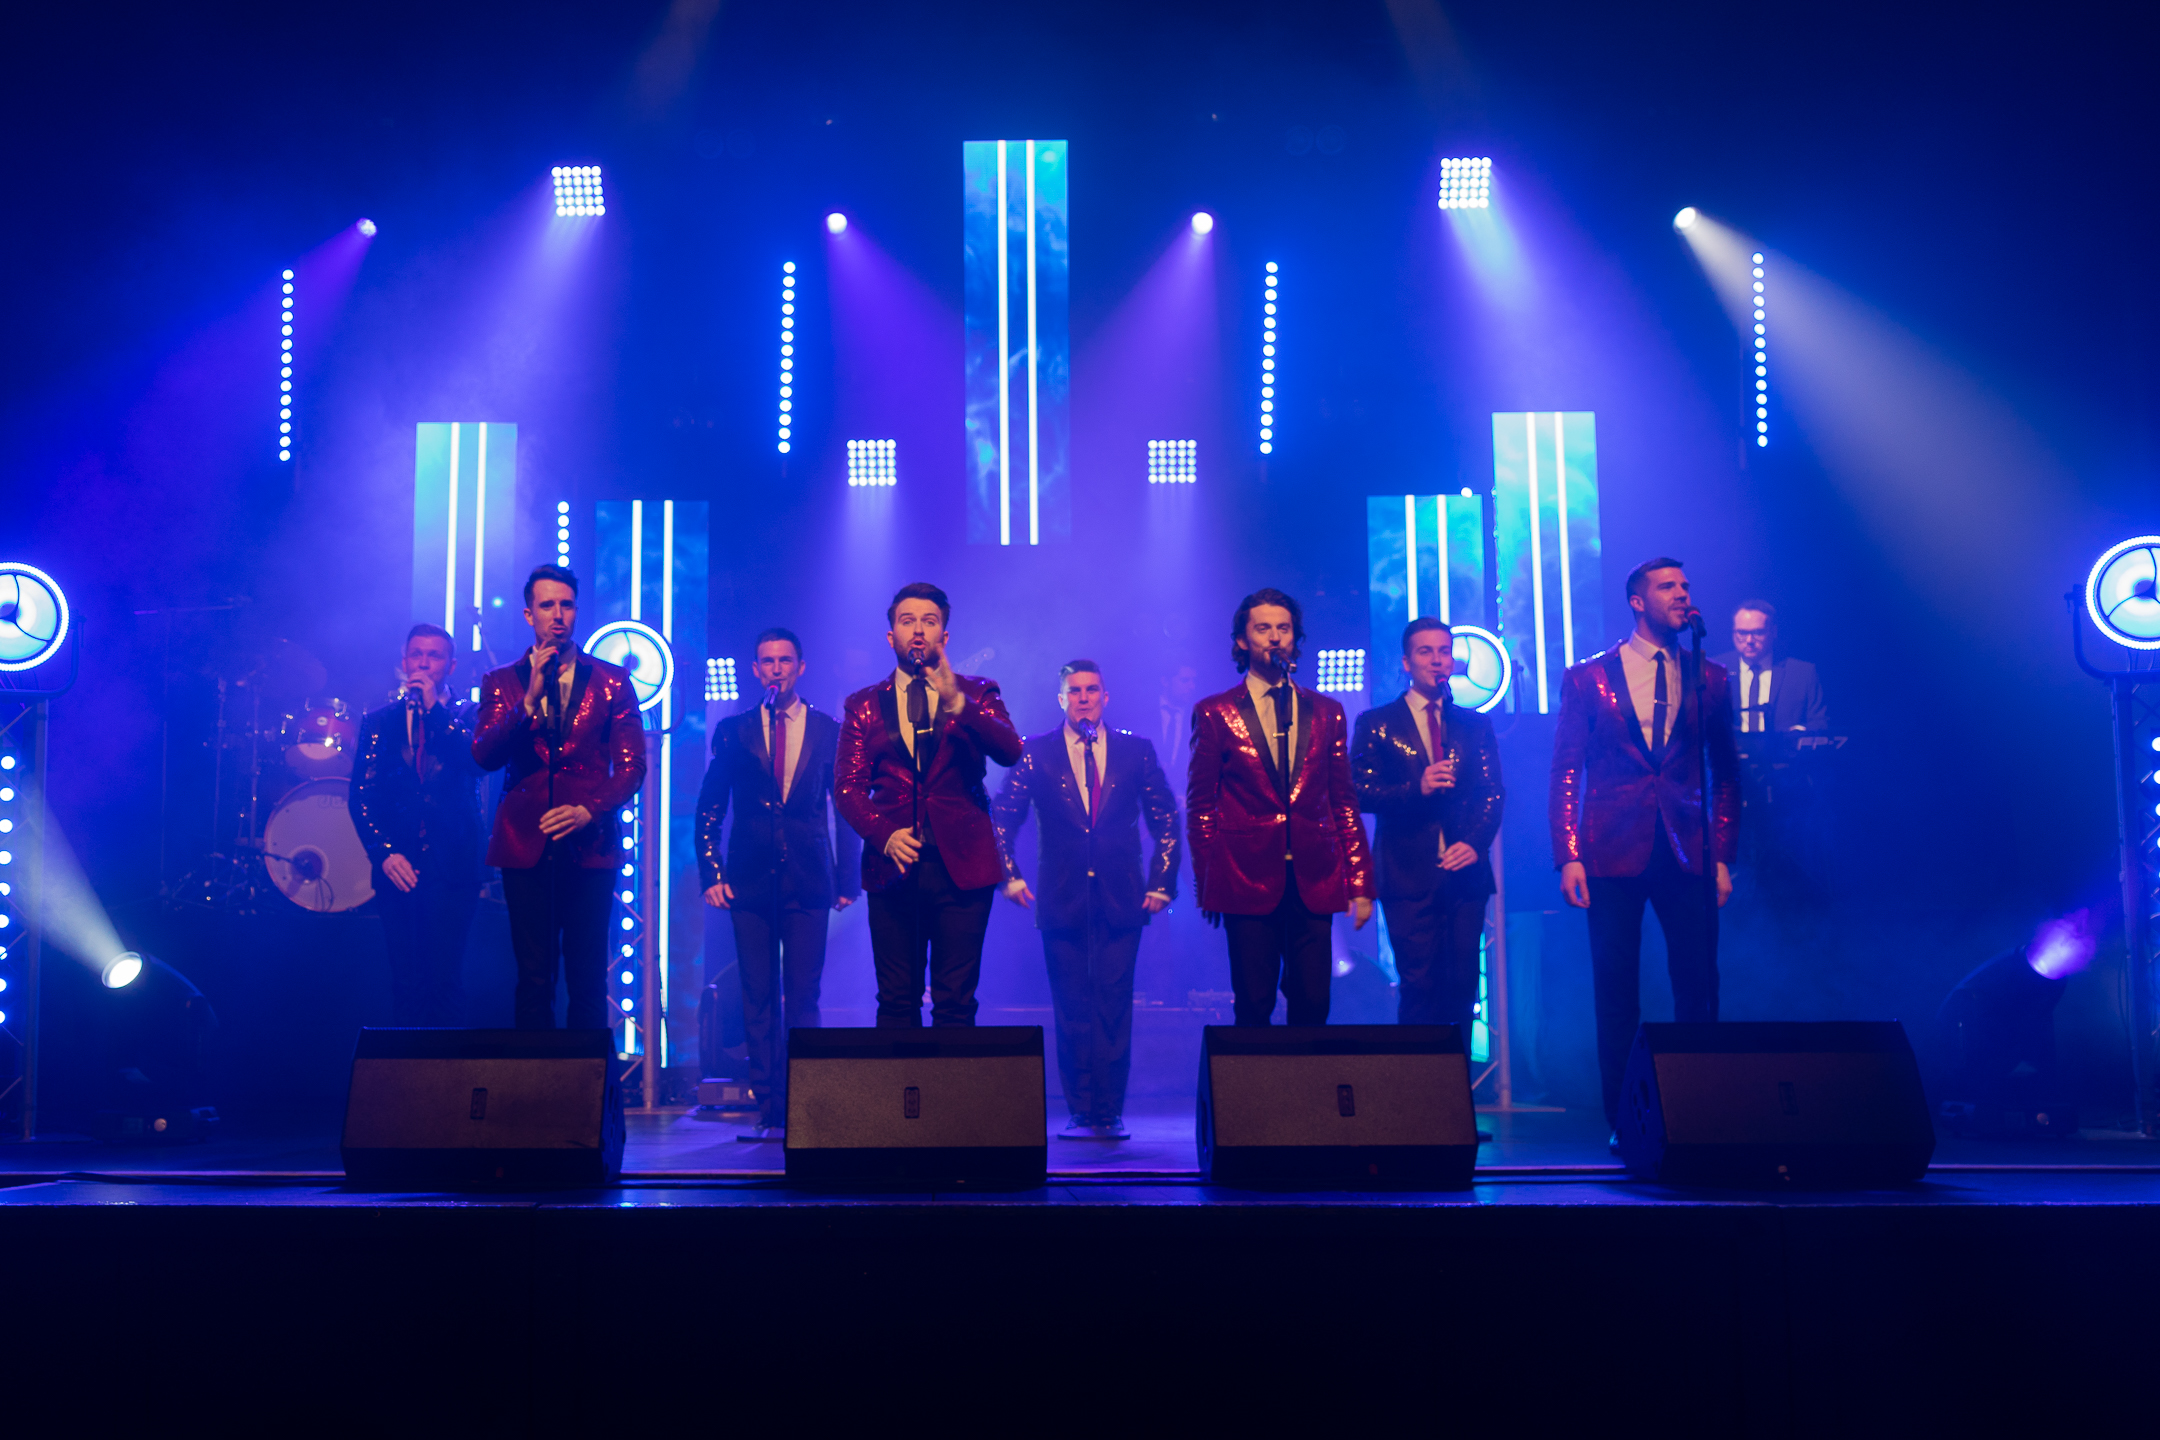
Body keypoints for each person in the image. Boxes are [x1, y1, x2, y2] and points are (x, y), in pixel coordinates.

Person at [1550, 557, 1740, 1139]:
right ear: (1638, 601)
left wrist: (1722, 853)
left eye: (1685, 585)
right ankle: (1624, 1117)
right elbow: (1566, 770)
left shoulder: (1710, 676)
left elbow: (1727, 774)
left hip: (1688, 846)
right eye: (1667, 586)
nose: (1682, 593)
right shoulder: (1588, 678)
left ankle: (1700, 1110)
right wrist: (1568, 853)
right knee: (1615, 989)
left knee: (1698, 983)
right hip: (1611, 848)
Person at [992, 659, 1180, 1139]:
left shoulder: (1135, 751)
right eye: (1074, 691)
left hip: (1122, 896)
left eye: (1092, 689)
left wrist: (1161, 880)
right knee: (1071, 1005)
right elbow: (1001, 816)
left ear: (1105, 697)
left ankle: (1109, 1111)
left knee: (1114, 1004)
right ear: (1061, 700)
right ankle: (1081, 1109)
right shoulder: (1036, 753)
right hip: (1061, 897)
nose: (1083, 698)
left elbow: (1165, 817)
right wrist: (1008, 875)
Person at [697, 627, 863, 1135]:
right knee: (758, 993)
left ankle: (804, 1102)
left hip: (809, 877)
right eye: (767, 661)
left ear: (800, 667)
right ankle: (769, 1106)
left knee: (804, 993)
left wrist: (848, 878)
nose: (776, 668)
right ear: (755, 670)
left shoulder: (829, 729)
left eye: (785, 660)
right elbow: (710, 805)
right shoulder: (735, 730)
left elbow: (845, 808)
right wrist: (712, 871)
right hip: (749, 879)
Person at [835, 582, 1024, 1026]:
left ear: (944, 635)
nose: (918, 630)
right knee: (897, 1002)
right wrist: (884, 835)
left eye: (929, 621)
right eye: (908, 621)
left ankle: (952, 1076)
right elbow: (846, 786)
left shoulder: (979, 692)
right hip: (893, 864)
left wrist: (959, 702)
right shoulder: (863, 704)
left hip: (964, 863)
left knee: (956, 1003)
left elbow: (1010, 750)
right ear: (891, 637)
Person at [1187, 587, 1375, 1026]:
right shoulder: (1215, 712)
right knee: (1254, 1003)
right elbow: (1201, 805)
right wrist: (1208, 881)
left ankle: (1305, 1074)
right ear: (1242, 639)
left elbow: (1343, 800)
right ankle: (1253, 1075)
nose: (1275, 637)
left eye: (1284, 628)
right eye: (1263, 628)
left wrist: (1360, 881)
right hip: (1246, 875)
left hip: (1314, 874)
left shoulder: (1327, 712)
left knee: (1313, 1001)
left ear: (1296, 637)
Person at [472, 564, 648, 1030]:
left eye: (566, 605)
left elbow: (632, 767)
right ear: (528, 614)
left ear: (576, 611)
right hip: (524, 842)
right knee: (534, 978)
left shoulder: (611, 681)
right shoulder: (501, 682)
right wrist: (528, 701)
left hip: (590, 844)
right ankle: (535, 1077)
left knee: (587, 979)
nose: (557, 615)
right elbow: (485, 755)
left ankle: (587, 1076)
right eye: (546, 605)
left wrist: (589, 809)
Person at [1351, 618, 1505, 1038]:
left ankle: (1458, 1076)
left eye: (1444, 651)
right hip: (1406, 871)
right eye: (1425, 652)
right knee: (1419, 983)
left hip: (1464, 873)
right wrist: (1414, 788)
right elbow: (1359, 792)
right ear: (1406, 662)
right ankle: (1419, 1074)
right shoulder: (1377, 723)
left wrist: (1475, 842)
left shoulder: (1473, 725)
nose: (1437, 660)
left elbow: (1492, 792)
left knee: (1463, 984)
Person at [349, 622, 485, 1026]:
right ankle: (407, 1067)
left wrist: (434, 711)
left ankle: (448, 1066)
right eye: (416, 655)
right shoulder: (379, 721)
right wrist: (384, 852)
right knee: (406, 981)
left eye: (434, 656)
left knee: (446, 979)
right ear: (404, 661)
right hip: (399, 866)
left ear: (451, 666)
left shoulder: (469, 715)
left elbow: (474, 761)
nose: (424, 663)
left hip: (454, 864)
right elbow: (362, 795)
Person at [1711, 600, 1828, 736]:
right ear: (1733, 632)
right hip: (1730, 749)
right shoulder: (1717, 668)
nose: (1749, 640)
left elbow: (1820, 723)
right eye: (1742, 632)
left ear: (1773, 631)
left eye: (1758, 632)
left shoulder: (1801, 673)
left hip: (1784, 749)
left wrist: (1797, 734)